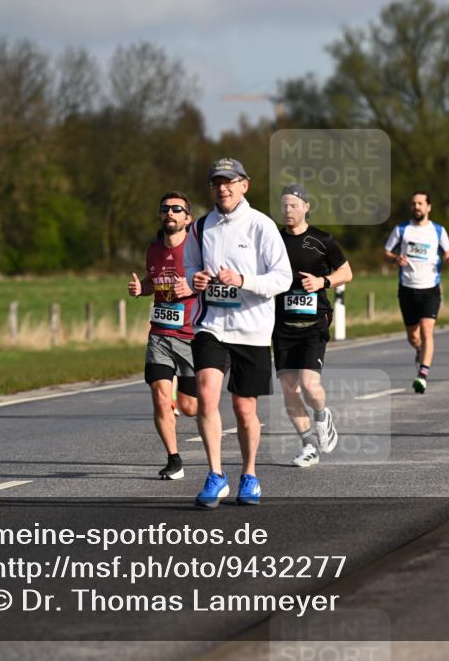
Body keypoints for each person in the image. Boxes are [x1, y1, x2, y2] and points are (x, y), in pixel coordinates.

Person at [183, 158, 291, 507]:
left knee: (244, 409)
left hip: (252, 329)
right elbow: (188, 270)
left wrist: (243, 280)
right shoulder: (200, 228)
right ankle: (215, 474)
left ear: (245, 184)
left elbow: (282, 277)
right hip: (210, 325)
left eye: (229, 182)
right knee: (206, 393)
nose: (222, 188)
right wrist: (194, 280)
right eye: (216, 182)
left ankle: (249, 475)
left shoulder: (261, 226)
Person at [272, 184, 353, 468]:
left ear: (306, 207)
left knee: (309, 385)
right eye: (283, 205)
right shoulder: (272, 239)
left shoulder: (322, 240)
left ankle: (322, 416)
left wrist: (322, 282)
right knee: (289, 389)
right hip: (281, 324)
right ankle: (308, 445)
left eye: (293, 205)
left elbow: (347, 272)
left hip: (314, 321)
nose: (288, 210)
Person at [127, 192, 199, 480]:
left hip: (192, 336)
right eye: (165, 209)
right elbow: (152, 281)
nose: (170, 213)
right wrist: (140, 289)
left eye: (177, 209)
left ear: (187, 218)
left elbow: (211, 283)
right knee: (158, 395)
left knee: (190, 408)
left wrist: (192, 288)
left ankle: (180, 389)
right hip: (160, 334)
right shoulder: (153, 250)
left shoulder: (197, 251)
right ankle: (174, 459)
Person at [383, 192, 449, 393]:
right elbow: (387, 251)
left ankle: (422, 375)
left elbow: (448, 251)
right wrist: (394, 259)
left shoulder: (439, 231)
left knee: (427, 332)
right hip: (407, 288)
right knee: (413, 336)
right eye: (414, 203)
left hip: (430, 288)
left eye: (420, 203)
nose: (417, 207)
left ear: (428, 207)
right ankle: (418, 350)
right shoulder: (401, 230)